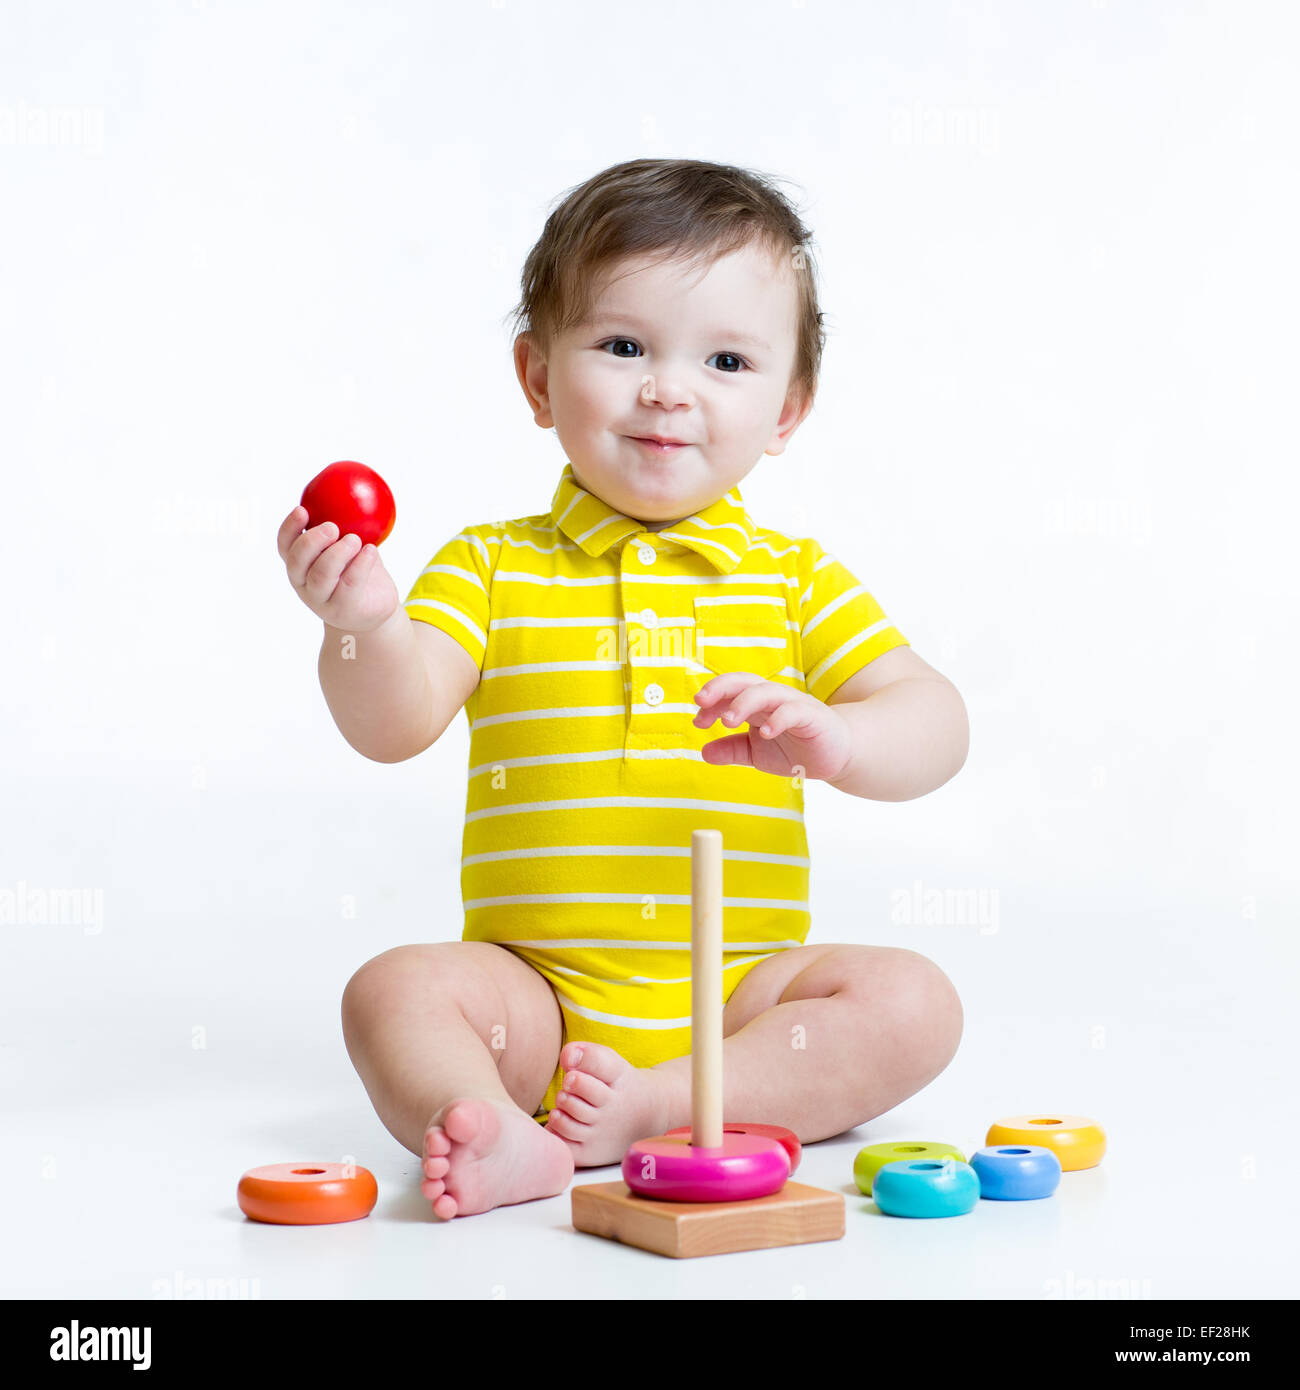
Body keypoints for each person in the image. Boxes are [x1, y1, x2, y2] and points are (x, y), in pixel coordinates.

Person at [277, 158, 968, 1220]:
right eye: (622, 345)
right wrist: (364, 630)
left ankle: (673, 1100)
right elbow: (395, 724)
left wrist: (841, 736)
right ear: (539, 379)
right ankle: (496, 1126)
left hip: (745, 1000)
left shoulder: (792, 581)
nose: (666, 388)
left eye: (726, 360)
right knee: (394, 990)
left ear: (786, 410)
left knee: (913, 1003)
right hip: (535, 1001)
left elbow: (935, 721)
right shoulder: (491, 565)